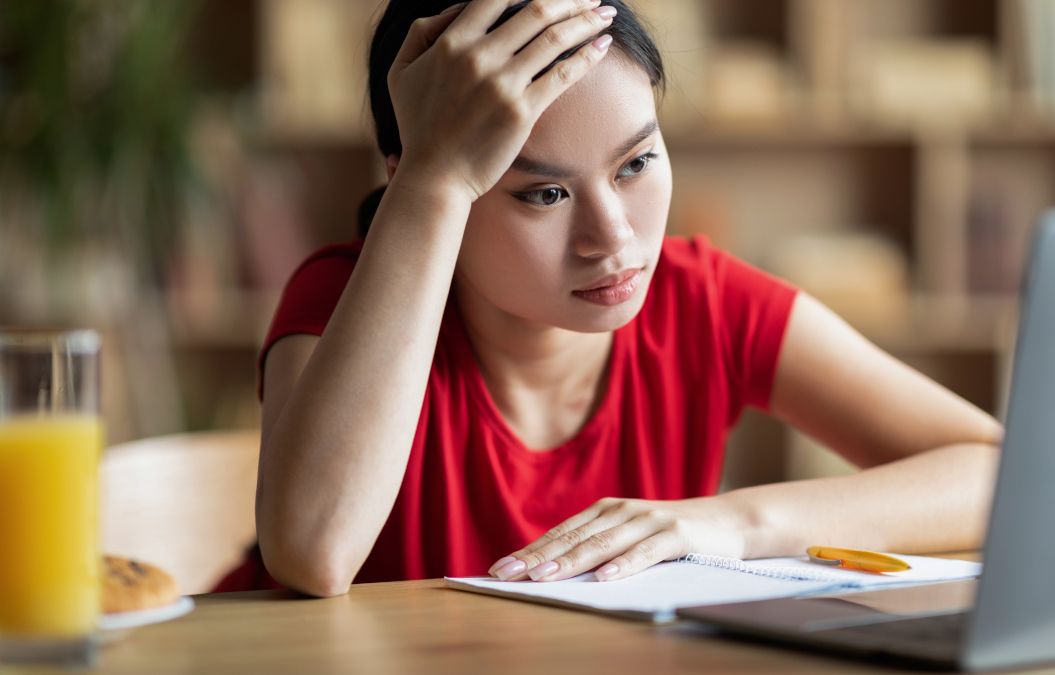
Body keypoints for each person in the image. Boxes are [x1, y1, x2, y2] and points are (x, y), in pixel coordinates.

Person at [213, 0, 1002, 597]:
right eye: (546, 192)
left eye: (635, 163)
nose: (613, 237)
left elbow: (996, 470)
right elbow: (313, 551)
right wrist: (436, 176)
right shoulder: (340, 295)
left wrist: (725, 522)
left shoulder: (702, 300)